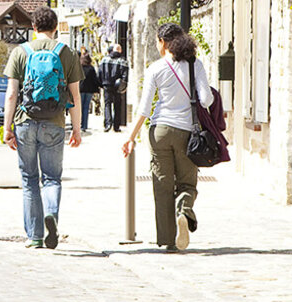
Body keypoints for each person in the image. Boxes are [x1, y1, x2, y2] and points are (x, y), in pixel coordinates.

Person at [122, 23, 215, 252]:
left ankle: (168, 240)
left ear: (163, 42)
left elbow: (144, 108)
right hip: (186, 132)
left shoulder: (156, 68)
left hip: (160, 132)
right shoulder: (195, 65)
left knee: (162, 185)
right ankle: (184, 209)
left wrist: (131, 137)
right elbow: (206, 99)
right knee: (187, 183)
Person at [2, 7, 82, 249]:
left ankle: (34, 236)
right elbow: (75, 95)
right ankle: (51, 214)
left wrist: (7, 128)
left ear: (33, 27)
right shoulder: (66, 52)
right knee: (52, 178)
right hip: (54, 123)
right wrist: (76, 129)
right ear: (55, 27)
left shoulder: (20, 52)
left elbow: (11, 94)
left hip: (25, 122)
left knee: (29, 179)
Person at [98, 44, 130, 132]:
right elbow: (125, 75)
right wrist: (124, 86)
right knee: (117, 105)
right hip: (117, 85)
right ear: (120, 50)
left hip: (106, 84)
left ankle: (108, 124)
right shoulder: (123, 61)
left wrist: (101, 84)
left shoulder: (104, 59)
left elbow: (99, 72)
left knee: (107, 104)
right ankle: (116, 126)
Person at [78, 49, 99, 134]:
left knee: (80, 107)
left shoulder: (79, 68)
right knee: (86, 107)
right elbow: (95, 80)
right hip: (89, 90)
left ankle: (78, 124)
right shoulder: (91, 68)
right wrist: (96, 89)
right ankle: (84, 125)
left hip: (81, 89)